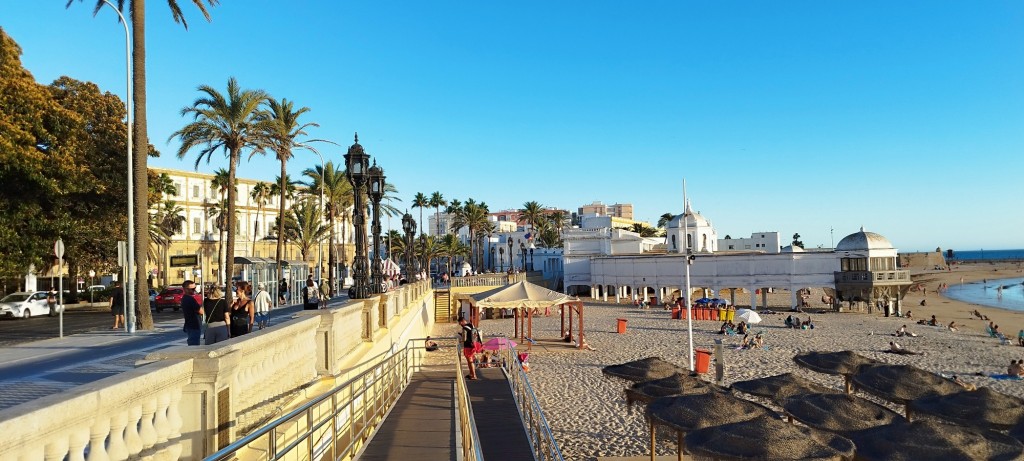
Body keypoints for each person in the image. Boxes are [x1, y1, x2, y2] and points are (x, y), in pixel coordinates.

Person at [180, 280, 203, 346]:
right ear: (185, 289)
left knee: (193, 342)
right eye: (192, 289)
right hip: (194, 325)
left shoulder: (185, 298)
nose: (194, 290)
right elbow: (201, 311)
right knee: (194, 345)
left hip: (190, 324)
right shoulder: (190, 299)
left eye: (194, 288)